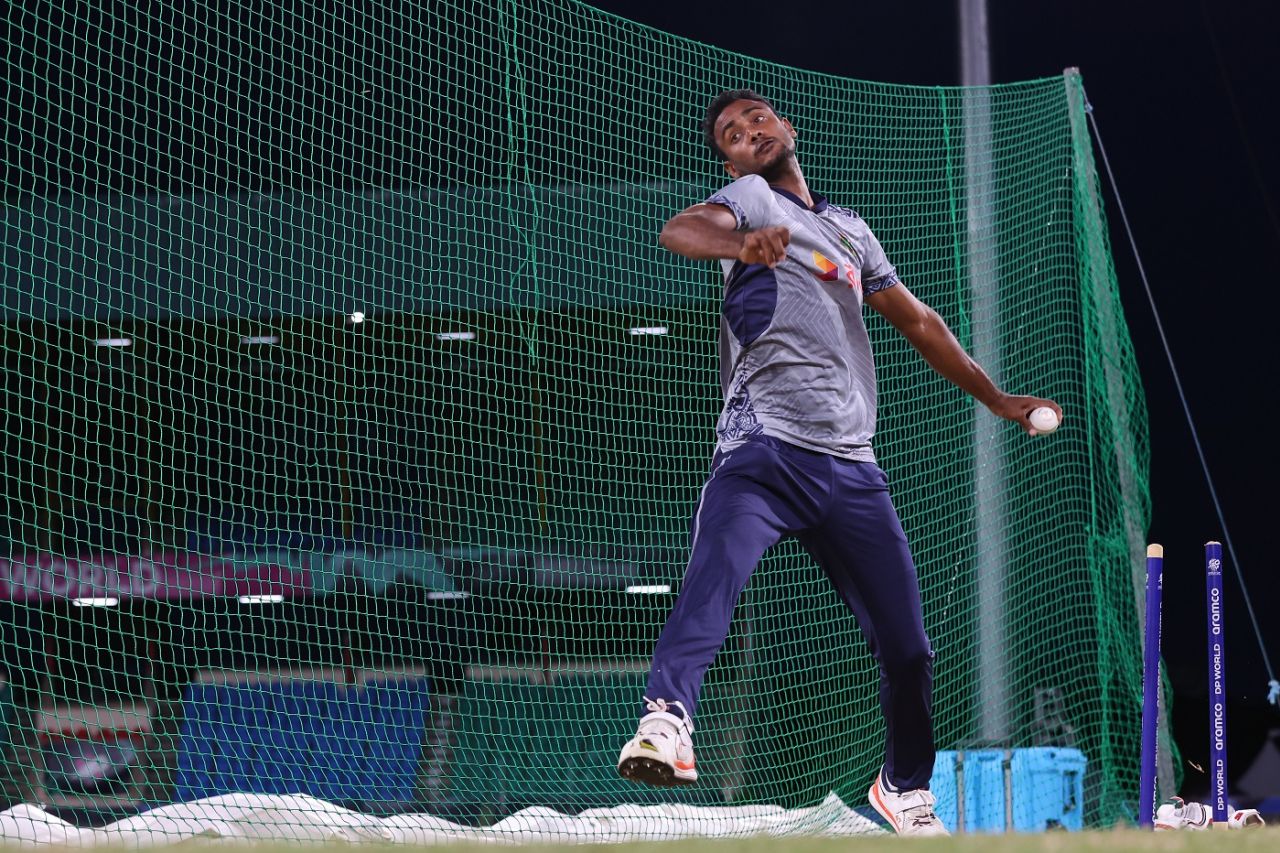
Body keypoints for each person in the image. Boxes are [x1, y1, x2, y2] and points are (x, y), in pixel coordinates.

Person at [615, 89, 1063, 837]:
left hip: (852, 467)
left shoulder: (850, 229)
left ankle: (903, 786)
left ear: (787, 126)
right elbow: (681, 229)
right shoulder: (750, 199)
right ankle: (665, 721)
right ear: (726, 160)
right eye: (731, 133)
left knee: (909, 648)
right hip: (761, 452)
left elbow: (919, 320)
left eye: (757, 119)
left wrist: (998, 397)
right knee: (713, 576)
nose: (748, 133)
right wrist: (738, 245)